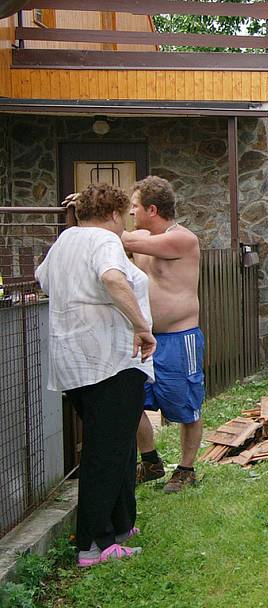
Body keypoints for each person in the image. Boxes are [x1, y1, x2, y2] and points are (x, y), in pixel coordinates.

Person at [36, 183, 156, 567]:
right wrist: (141, 326)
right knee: (105, 452)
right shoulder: (104, 241)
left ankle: (121, 526)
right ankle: (93, 543)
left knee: (117, 446)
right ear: (116, 213)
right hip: (111, 361)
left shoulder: (66, 240)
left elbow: (43, 278)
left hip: (75, 362)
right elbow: (112, 279)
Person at [122, 176, 204, 494]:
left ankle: (186, 469)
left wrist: (93, 219)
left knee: (186, 407)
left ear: (151, 209)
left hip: (179, 339)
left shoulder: (183, 240)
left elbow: (124, 241)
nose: (130, 212)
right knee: (130, 401)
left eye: (134, 206)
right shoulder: (140, 236)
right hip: (145, 338)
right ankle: (151, 462)